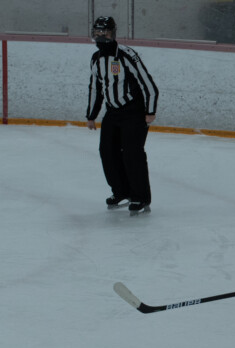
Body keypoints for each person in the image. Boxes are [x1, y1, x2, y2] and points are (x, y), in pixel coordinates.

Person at [86, 16, 159, 216]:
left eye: (105, 33)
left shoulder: (126, 55)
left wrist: (150, 111)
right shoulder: (96, 59)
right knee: (107, 151)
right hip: (112, 112)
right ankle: (121, 192)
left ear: (113, 33)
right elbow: (96, 88)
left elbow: (148, 84)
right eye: (97, 33)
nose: (101, 37)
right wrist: (91, 115)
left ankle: (140, 197)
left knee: (132, 154)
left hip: (133, 112)